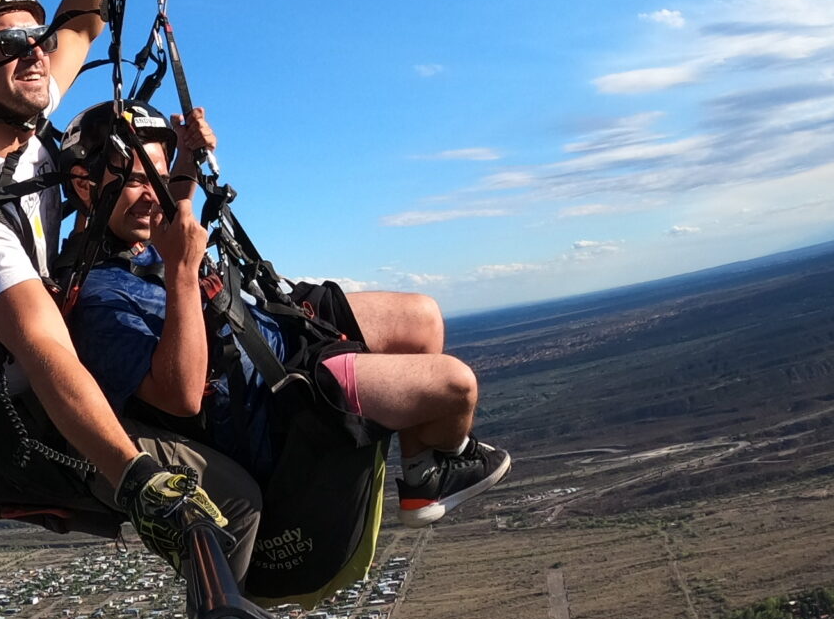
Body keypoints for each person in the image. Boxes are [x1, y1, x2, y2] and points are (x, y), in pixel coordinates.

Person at [0, 0, 311, 619]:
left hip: (51, 367)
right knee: (233, 498)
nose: (33, 52)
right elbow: (45, 351)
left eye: (32, 37)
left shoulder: (12, 105)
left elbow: (82, 23)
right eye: (8, 41)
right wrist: (133, 475)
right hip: (20, 417)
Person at [58, 101, 511, 525]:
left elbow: (165, 198)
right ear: (84, 185)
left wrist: (187, 161)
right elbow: (180, 397)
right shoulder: (97, 296)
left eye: (154, 177)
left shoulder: (135, 241)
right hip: (275, 399)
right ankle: (430, 462)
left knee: (423, 316)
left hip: (276, 334)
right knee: (456, 386)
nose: (153, 197)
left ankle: (422, 476)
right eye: (135, 181)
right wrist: (182, 270)